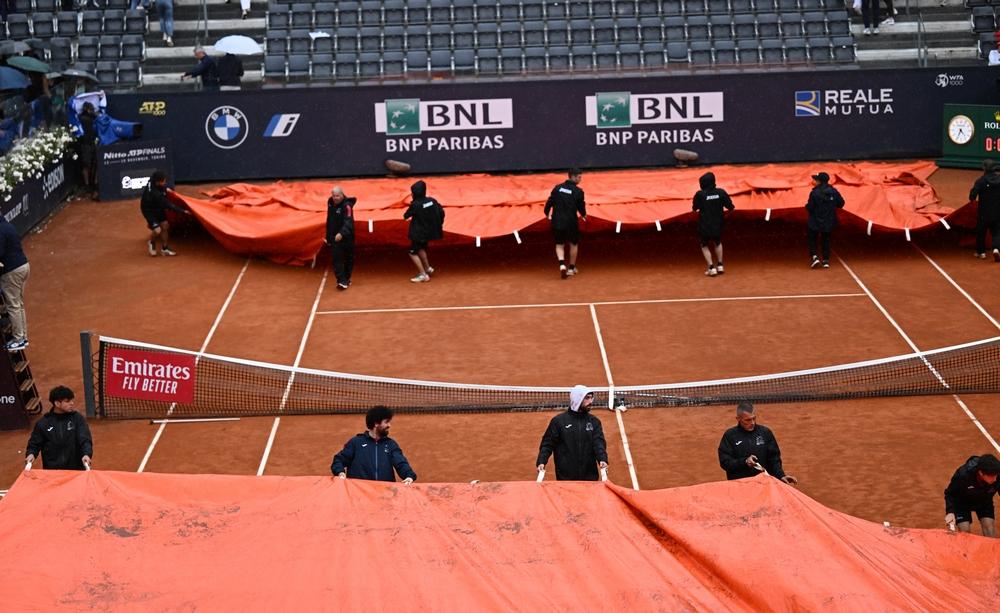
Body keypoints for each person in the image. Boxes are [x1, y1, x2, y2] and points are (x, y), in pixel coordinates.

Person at [536, 385, 609, 481]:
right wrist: (542, 461)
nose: (590, 401)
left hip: (589, 478)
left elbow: (598, 443)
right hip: (566, 478)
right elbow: (548, 443)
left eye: (591, 398)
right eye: (587, 398)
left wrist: (602, 459)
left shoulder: (594, 422)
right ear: (578, 399)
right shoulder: (559, 421)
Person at [330, 406, 417, 483]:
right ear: (376, 424)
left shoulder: (391, 445)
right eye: (386, 422)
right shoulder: (356, 443)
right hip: (359, 494)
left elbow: (401, 463)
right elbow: (339, 460)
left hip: (384, 494)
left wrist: (409, 476)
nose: (389, 425)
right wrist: (340, 473)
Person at [717, 401, 797, 484]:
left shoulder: (765, 433)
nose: (752, 423)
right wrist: (745, 462)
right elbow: (725, 462)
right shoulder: (730, 436)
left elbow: (774, 459)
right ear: (738, 419)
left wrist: (781, 475)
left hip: (763, 485)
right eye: (747, 420)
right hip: (740, 486)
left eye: (754, 418)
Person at [24, 387, 93, 470]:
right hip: (52, 472)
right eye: (67, 401)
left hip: (75, 470)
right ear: (57, 403)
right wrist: (31, 453)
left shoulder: (77, 419)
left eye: (71, 400)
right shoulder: (43, 423)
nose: (72, 403)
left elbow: (85, 439)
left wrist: (86, 454)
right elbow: (34, 444)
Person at [544, 168, 587, 279]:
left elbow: (549, 202)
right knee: (573, 244)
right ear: (572, 176)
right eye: (579, 177)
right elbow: (581, 207)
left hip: (557, 222)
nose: (580, 179)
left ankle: (562, 265)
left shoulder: (557, 188)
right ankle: (571, 269)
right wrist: (583, 215)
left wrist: (546, 213)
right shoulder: (578, 192)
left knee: (559, 244)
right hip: (571, 223)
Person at [944, 454, 1000, 537]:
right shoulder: (962, 475)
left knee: (990, 531)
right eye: (992, 476)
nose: (995, 479)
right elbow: (950, 493)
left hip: (984, 501)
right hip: (962, 503)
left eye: (996, 475)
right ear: (981, 473)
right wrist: (950, 512)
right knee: (965, 533)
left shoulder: (997, 474)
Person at [692, 171, 735, 277]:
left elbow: (694, 209)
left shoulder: (700, 194)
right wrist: (723, 216)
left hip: (704, 225)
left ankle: (711, 268)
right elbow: (731, 208)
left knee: (704, 245)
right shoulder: (721, 192)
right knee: (718, 242)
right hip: (718, 224)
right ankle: (720, 265)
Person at [140, 170, 190, 257]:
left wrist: (166, 189)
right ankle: (151, 243)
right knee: (157, 230)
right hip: (148, 210)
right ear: (158, 182)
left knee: (165, 225)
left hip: (157, 206)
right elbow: (170, 205)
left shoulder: (153, 180)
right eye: (163, 181)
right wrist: (183, 211)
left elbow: (162, 187)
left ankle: (165, 249)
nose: (165, 182)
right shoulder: (156, 195)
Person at [403, 180, 445, 283]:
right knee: (421, 248)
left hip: (418, 234)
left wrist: (412, 205)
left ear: (414, 193)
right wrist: (439, 224)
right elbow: (441, 212)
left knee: (412, 252)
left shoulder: (415, 205)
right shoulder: (432, 201)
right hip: (428, 233)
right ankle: (427, 269)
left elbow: (406, 216)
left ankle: (423, 275)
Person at [0, 217, 29, 351]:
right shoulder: (8, 226)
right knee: (19, 304)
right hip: (24, 267)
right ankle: (23, 337)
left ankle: (18, 339)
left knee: (13, 306)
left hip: (12, 271)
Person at [805, 171, 845, 269]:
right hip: (829, 221)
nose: (814, 181)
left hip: (815, 221)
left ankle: (815, 257)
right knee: (826, 240)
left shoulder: (814, 192)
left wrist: (807, 207)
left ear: (819, 181)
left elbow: (810, 207)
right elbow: (841, 204)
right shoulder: (834, 191)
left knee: (812, 238)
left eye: (815, 179)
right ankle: (826, 260)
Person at [968, 159, 1000, 262]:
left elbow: (972, 197)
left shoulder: (980, 181)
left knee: (981, 232)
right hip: (998, 212)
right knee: (997, 232)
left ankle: (981, 253)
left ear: (984, 169)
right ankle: (996, 248)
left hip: (984, 213)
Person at [325, 186, 355, 290]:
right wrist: (328, 237)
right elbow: (329, 221)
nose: (335, 198)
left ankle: (346, 278)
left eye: (337, 196)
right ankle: (341, 281)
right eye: (333, 196)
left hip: (347, 238)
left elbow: (349, 222)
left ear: (342, 195)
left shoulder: (347, 206)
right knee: (337, 259)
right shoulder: (330, 204)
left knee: (349, 259)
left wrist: (341, 233)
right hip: (334, 238)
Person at [77, 101, 98, 198]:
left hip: (92, 144)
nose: (93, 111)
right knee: (86, 166)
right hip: (85, 145)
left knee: (93, 165)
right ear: (87, 110)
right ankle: (87, 186)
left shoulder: (91, 118)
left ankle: (93, 186)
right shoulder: (83, 119)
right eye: (91, 109)